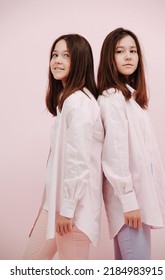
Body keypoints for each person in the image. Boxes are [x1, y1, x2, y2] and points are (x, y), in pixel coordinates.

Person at [23, 34, 104, 260]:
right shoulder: (66, 101)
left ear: (79, 61)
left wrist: (67, 210)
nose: (57, 60)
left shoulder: (78, 103)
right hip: (56, 208)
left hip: (72, 212)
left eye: (66, 56)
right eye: (55, 55)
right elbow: (55, 167)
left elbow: (78, 161)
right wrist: (43, 214)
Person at [97, 27, 165, 260]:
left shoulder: (130, 99)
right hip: (130, 207)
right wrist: (129, 201)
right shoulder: (112, 99)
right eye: (120, 51)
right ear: (110, 58)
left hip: (137, 203)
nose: (129, 56)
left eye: (133, 50)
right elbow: (114, 156)